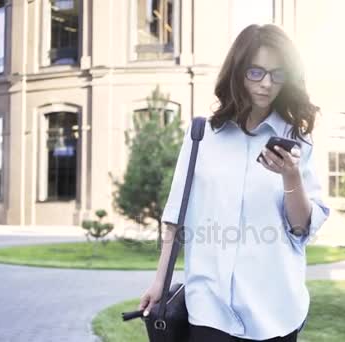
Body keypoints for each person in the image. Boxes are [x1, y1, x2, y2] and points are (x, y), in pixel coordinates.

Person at [138, 24, 330, 342]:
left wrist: (291, 176)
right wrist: (160, 281)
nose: (266, 84)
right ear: (238, 72)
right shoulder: (201, 135)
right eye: (256, 72)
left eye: (277, 74)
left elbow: (301, 229)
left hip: (274, 310)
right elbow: (176, 216)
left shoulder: (297, 138)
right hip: (209, 307)